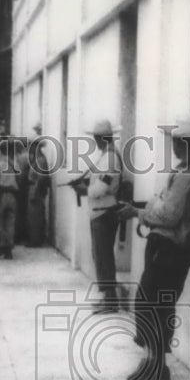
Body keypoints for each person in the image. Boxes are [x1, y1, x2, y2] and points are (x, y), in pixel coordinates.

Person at [119, 115, 190, 380]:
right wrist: (150, 210)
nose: (173, 146)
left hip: (170, 248)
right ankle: (154, 362)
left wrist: (143, 213)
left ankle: (155, 364)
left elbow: (169, 213)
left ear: (184, 144)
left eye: (176, 142)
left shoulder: (188, 175)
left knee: (151, 303)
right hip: (171, 247)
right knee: (157, 304)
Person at [71, 119, 122, 312]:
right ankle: (108, 297)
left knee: (103, 256)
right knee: (100, 256)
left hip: (104, 212)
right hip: (99, 212)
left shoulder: (110, 158)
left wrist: (85, 190)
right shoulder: (105, 156)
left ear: (102, 138)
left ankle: (111, 301)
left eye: (96, 138)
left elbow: (103, 186)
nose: (95, 141)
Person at [26, 123, 50, 248]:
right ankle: (34, 238)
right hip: (34, 188)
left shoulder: (40, 160)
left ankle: (35, 240)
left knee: (36, 216)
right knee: (33, 215)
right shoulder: (37, 159)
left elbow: (40, 179)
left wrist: (34, 192)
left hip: (36, 190)